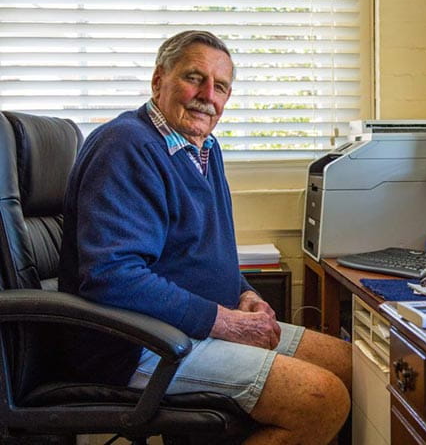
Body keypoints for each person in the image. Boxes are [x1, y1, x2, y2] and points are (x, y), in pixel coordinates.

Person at [58, 30, 351, 445]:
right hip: (136, 343)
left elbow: (201, 254)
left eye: (221, 86)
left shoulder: (204, 149)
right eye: (194, 78)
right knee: (321, 398)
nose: (208, 95)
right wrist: (225, 322)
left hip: (191, 327)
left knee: (354, 366)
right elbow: (111, 276)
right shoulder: (125, 145)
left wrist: (244, 294)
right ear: (159, 80)